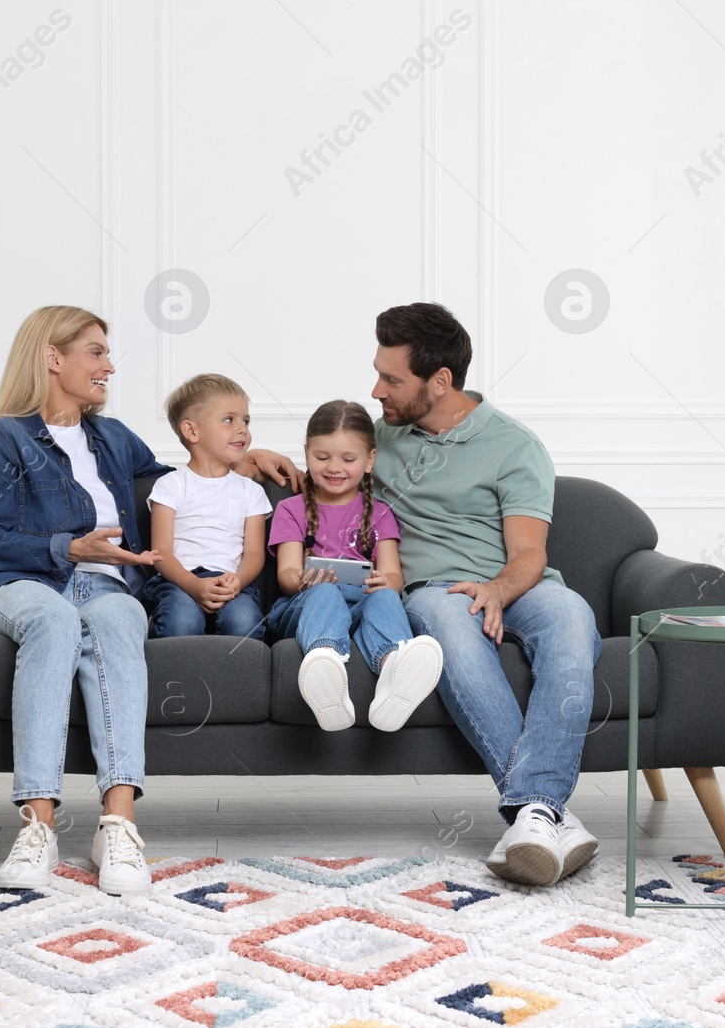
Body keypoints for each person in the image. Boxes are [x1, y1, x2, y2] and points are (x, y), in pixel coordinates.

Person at [0, 309, 296, 896]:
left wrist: (245, 456)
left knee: (122, 619)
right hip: (24, 585)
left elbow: (186, 479)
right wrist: (66, 547)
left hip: (106, 586)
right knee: (54, 621)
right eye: (95, 353)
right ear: (52, 357)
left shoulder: (113, 438)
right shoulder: (5, 438)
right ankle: (38, 826)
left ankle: (117, 825)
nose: (108, 366)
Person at [370, 302, 602, 887]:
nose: (377, 390)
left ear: (440, 382)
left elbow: (529, 553)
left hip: (517, 586)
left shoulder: (514, 445)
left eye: (392, 379)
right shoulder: (379, 437)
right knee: (451, 630)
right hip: (433, 590)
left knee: (573, 617)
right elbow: (323, 472)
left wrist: (498, 589)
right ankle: (545, 814)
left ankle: (532, 812)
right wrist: (253, 458)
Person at [264, 400, 443, 731]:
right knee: (327, 594)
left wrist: (382, 581)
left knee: (387, 598)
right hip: (306, 603)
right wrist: (307, 580)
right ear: (306, 454)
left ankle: (395, 671)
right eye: (322, 457)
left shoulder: (381, 512)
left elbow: (393, 576)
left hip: (361, 598)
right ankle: (326, 668)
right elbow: (286, 576)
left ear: (369, 460)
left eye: (348, 459)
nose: (334, 467)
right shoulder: (291, 509)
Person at [140, 374, 273, 638]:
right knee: (181, 622)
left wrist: (237, 582)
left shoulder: (251, 491)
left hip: (232, 581)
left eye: (245, 420)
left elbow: (255, 554)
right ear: (191, 431)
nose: (242, 429)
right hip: (179, 581)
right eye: (228, 420)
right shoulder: (170, 486)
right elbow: (162, 552)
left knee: (244, 622)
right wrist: (193, 585)